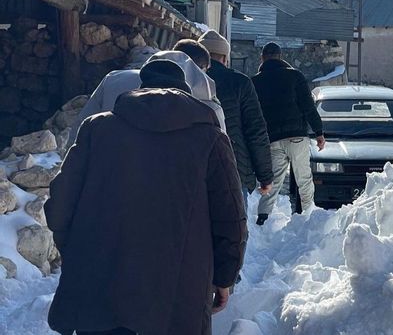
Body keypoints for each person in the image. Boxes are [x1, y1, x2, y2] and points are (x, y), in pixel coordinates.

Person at [45, 59, 247, 335]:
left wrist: (78, 252)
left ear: (140, 88)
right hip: (177, 296)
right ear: (186, 92)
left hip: (100, 290)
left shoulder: (97, 129)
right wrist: (224, 277)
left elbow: (59, 206)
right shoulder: (210, 139)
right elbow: (231, 218)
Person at [69, 40, 225, 144]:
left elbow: (79, 133)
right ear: (201, 69)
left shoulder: (114, 80)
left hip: (110, 180)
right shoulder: (207, 104)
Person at [251, 42, 325, 225]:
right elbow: (308, 106)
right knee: (304, 179)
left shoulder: (255, 82)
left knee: (273, 181)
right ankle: (308, 217)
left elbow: (252, 115)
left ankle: (262, 218)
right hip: (297, 136)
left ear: (262, 58)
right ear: (280, 56)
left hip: (272, 139)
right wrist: (319, 132)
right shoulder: (295, 76)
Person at [198, 30, 273, 205]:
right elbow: (256, 131)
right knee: (235, 227)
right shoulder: (240, 83)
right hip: (234, 168)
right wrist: (265, 176)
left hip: (194, 169)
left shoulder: (185, 81)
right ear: (225, 58)